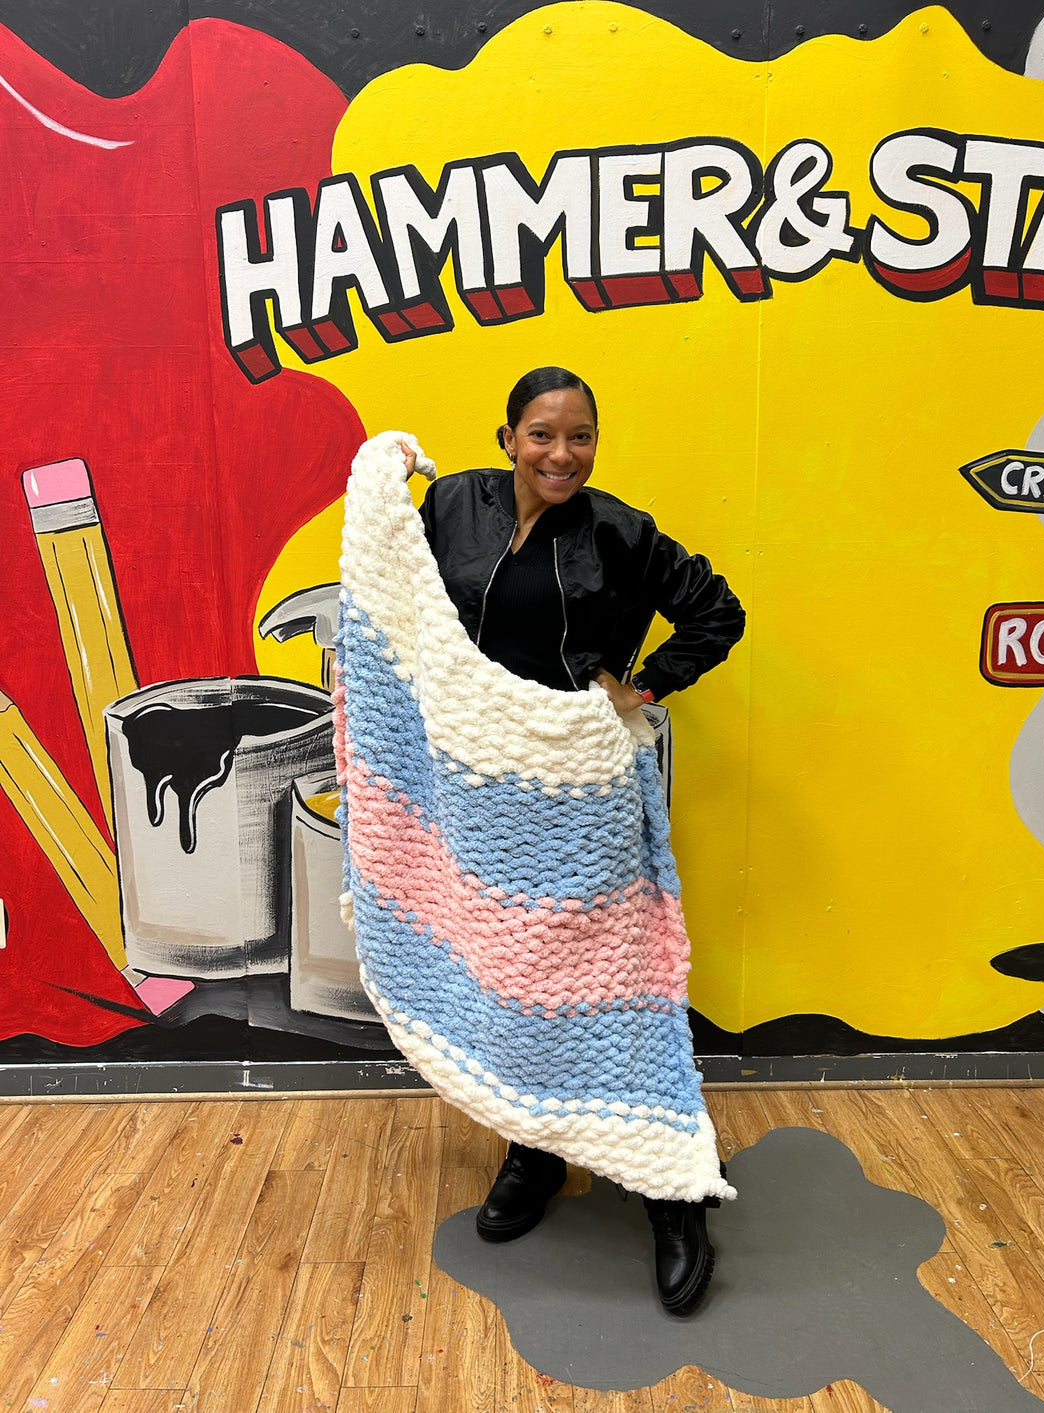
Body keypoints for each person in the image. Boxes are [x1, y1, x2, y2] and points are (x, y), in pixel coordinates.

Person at [402, 365, 745, 1316]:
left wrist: (642, 685)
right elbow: (401, 606)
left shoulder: (618, 531)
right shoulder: (450, 507)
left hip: (581, 790)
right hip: (477, 792)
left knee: (618, 991)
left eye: (580, 436)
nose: (562, 453)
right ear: (508, 437)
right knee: (515, 981)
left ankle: (673, 1187)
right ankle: (535, 1152)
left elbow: (718, 612)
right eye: (543, 434)